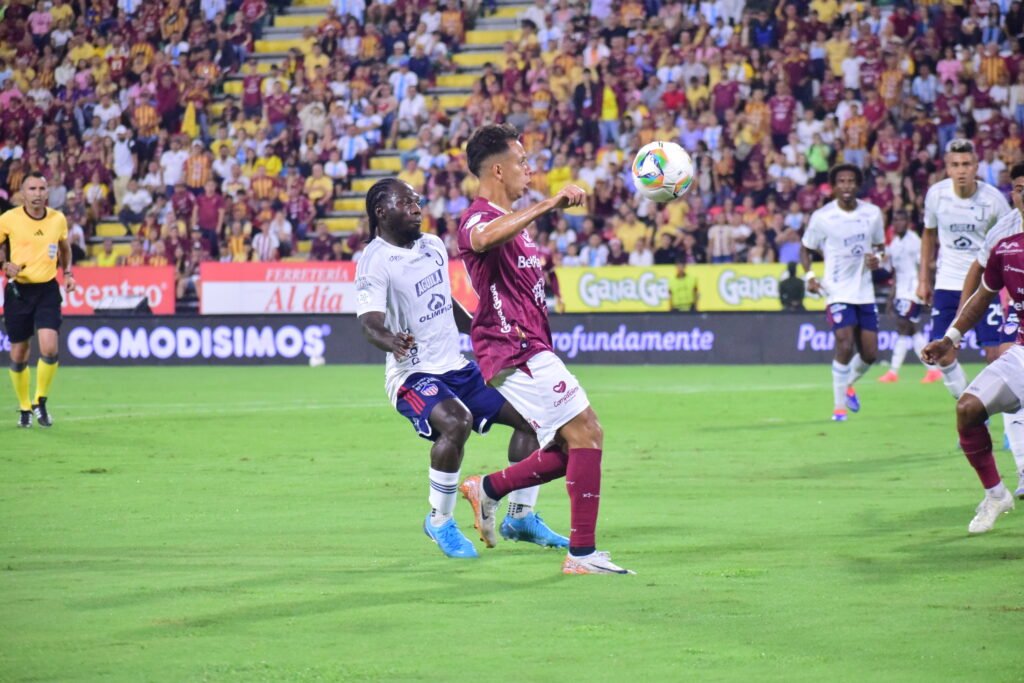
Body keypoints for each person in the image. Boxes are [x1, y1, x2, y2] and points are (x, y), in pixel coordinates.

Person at [354, 178, 568, 560]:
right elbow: (369, 323)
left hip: (456, 366)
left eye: (417, 201)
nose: (418, 208)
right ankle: (439, 520)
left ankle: (520, 516)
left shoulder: (433, 246)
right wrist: (393, 341)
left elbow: (444, 299)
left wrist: (482, 326)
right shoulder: (374, 260)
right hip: (413, 374)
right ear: (382, 212)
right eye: (407, 203)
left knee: (533, 417)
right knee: (456, 421)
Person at [455, 123, 633, 575]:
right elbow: (481, 240)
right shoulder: (477, 216)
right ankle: (581, 555)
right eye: (521, 161)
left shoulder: (518, 226)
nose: (528, 169)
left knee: (576, 443)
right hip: (512, 346)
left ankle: (490, 487)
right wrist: (550, 203)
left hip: (530, 344)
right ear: (497, 168)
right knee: (588, 432)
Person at [921, 219, 1024, 533]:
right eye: (1019, 189)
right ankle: (996, 494)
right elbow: (982, 296)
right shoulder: (1007, 247)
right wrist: (950, 338)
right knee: (967, 408)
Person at [917, 139, 1012, 392]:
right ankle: (974, 416)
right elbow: (928, 235)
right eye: (955, 165)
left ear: (976, 167)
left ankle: (1009, 424)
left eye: (966, 164)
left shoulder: (994, 200)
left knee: (996, 354)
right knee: (942, 354)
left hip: (985, 286)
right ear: (947, 168)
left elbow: (1009, 243)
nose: (961, 170)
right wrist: (923, 280)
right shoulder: (936, 195)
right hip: (947, 283)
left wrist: (1008, 288)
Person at [801, 164, 886, 422]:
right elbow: (805, 249)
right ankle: (839, 408)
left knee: (870, 354)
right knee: (844, 342)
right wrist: (811, 276)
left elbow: (880, 246)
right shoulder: (823, 217)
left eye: (851, 181)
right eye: (842, 181)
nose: (846, 186)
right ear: (834, 186)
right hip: (836, 290)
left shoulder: (872, 214)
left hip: (864, 292)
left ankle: (847, 383)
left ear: (857, 185)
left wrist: (878, 259)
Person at [0, 172, 77, 428]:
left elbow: (65, 247)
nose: (37, 193)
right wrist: (4, 264)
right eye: (32, 188)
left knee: (50, 347)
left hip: (46, 290)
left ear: (48, 192)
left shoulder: (57, 219)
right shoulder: (9, 219)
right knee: (20, 354)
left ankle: (39, 401)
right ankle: (24, 407)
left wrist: (67, 273)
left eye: (42, 188)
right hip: (19, 292)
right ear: (23, 193)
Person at [878, 211, 929, 383]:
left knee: (902, 327)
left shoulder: (914, 240)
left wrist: (926, 288)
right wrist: (892, 297)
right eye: (895, 220)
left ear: (908, 222)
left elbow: (924, 265)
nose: (898, 223)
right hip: (901, 292)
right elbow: (894, 272)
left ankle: (893, 371)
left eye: (901, 219)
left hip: (913, 290)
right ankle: (933, 370)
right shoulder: (894, 243)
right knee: (912, 330)